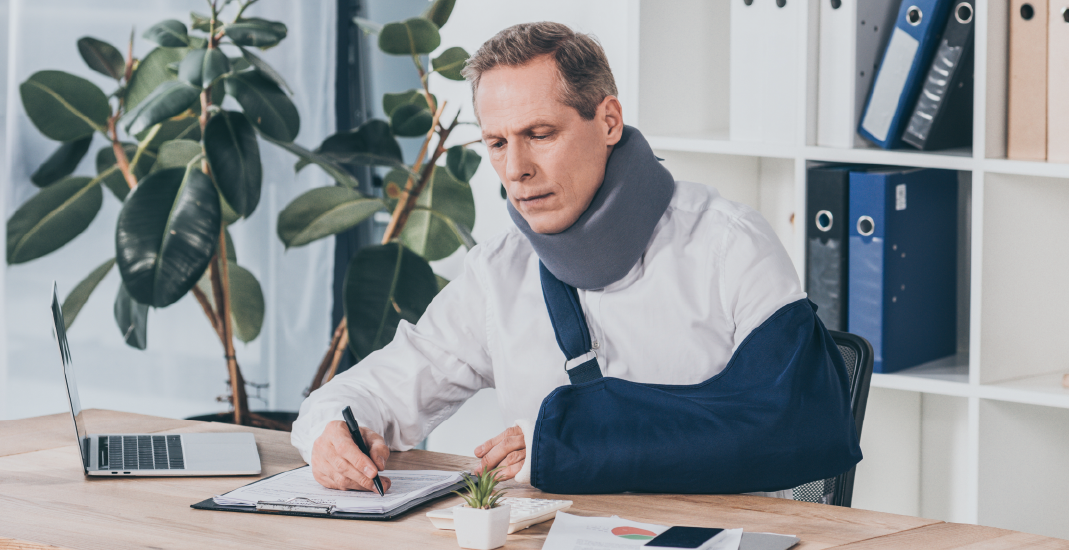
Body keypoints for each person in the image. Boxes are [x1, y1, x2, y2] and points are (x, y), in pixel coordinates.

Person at [291, 22, 844, 495]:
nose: (516, 170)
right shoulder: (498, 271)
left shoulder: (729, 244)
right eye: (498, 143)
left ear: (608, 121)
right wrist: (330, 432)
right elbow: (375, 389)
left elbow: (797, 421)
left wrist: (568, 443)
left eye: (539, 133)